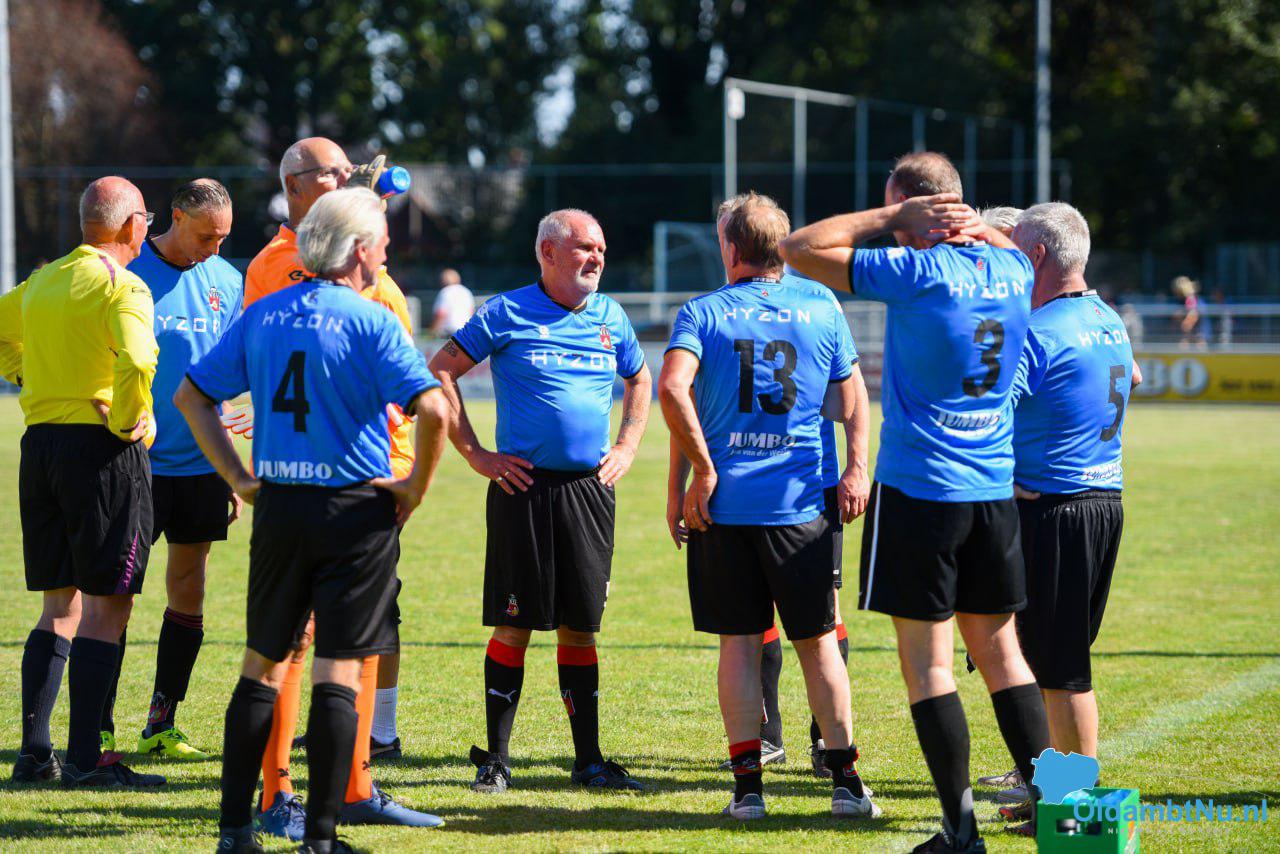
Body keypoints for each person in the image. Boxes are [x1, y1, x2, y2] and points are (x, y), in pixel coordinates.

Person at [781, 151, 1052, 852]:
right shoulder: (1014, 268)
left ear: (919, 212)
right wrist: (978, 227)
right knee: (1004, 656)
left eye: (900, 207)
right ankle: (1063, 817)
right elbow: (1010, 244)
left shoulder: (915, 270)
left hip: (922, 491)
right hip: (993, 493)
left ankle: (961, 833)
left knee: (930, 667)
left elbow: (797, 248)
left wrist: (888, 217)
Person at [175, 187, 450, 854]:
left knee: (261, 667)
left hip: (280, 509)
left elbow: (192, 396)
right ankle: (320, 840)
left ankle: (235, 832)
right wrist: (413, 488)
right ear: (358, 250)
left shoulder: (264, 314)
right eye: (382, 244)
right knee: (338, 671)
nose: (385, 255)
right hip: (353, 512)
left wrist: (239, 477)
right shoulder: (372, 320)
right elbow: (436, 409)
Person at [660, 192, 880, 820]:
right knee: (818, 643)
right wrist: (856, 467)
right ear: (780, 247)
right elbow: (854, 397)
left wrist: (694, 476)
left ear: (731, 248)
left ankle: (748, 792)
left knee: (737, 646)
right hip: (801, 506)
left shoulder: (703, 311)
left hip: (722, 507)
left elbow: (674, 389)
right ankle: (846, 784)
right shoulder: (821, 304)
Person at [428, 208, 651, 794]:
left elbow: (640, 377)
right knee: (514, 625)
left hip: (589, 492)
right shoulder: (506, 311)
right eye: (584, 247)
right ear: (548, 253)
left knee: (581, 628)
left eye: (600, 248)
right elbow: (441, 370)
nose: (597, 257)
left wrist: (627, 444)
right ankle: (497, 760)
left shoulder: (610, 316)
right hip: (521, 488)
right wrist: (475, 453)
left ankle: (589, 762)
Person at [245, 136, 430, 837]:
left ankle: (355, 785)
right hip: (316, 479)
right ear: (294, 185)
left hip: (379, 474)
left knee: (360, 632)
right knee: (298, 638)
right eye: (334, 172)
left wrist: (405, 474)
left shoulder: (365, 261)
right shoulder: (279, 264)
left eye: (350, 170)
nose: (350, 177)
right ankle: (276, 795)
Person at [1, 176, 165, 788]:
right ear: (131, 225)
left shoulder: (43, 281)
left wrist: (26, 373)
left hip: (40, 447)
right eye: (146, 219)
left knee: (59, 606)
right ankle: (87, 760)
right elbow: (139, 358)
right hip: (99, 454)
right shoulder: (124, 285)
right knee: (107, 605)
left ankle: (34, 753)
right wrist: (128, 419)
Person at [96, 179, 244, 762]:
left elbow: (223, 369)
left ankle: (162, 722)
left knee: (189, 586)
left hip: (201, 464)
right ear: (176, 217)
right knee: (116, 596)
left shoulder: (227, 279)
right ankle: (98, 726)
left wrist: (229, 462)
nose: (215, 248)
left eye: (223, 238)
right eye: (206, 236)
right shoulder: (126, 272)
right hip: (133, 462)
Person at [723, 264, 874, 779]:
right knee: (753, 613)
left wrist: (856, 467)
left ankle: (826, 742)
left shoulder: (818, 300)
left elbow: (852, 390)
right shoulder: (720, 305)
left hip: (813, 485)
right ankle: (766, 738)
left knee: (823, 613)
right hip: (743, 486)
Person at [1008, 202, 1132, 778]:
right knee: (1052, 661)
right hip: (1104, 500)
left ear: (1036, 256)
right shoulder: (1108, 318)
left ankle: (1072, 800)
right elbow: (1130, 376)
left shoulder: (1038, 331)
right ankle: (1047, 782)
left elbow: (987, 416)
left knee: (1062, 671)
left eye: (1013, 251)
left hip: (1056, 507)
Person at [431, 268, 475, 337]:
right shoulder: (466, 292)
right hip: (465, 332)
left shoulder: (445, 292)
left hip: (449, 333)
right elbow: (471, 313)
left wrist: (433, 332)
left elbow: (440, 314)